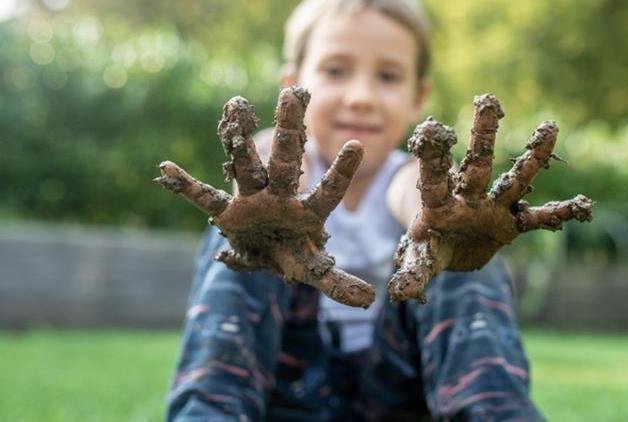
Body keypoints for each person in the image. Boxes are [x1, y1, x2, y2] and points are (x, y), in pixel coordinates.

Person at [166, 0, 545, 420]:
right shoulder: (290, 167)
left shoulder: (416, 179)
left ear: (417, 98)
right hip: (293, 388)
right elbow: (272, 152)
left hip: (398, 393)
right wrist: (274, 206)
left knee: (453, 238)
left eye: (387, 76)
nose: (361, 96)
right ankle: (210, 411)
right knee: (251, 234)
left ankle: (492, 410)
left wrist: (432, 219)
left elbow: (414, 192)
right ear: (292, 86)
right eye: (335, 71)